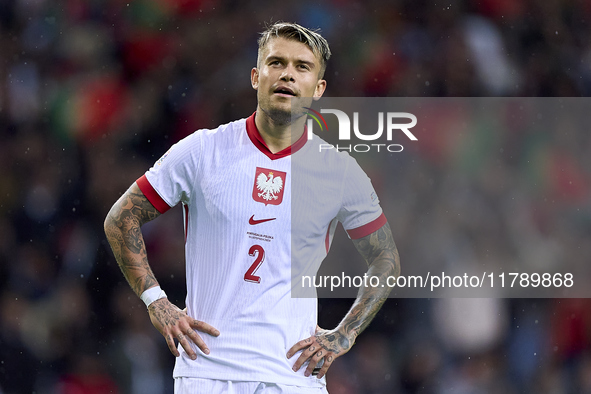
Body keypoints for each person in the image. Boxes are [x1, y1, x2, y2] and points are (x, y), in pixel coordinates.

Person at [104, 22, 400, 393]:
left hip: (292, 379)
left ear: (318, 89)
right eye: (276, 63)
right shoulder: (203, 151)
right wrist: (156, 301)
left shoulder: (340, 173)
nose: (287, 74)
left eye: (302, 67)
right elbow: (121, 217)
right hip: (207, 373)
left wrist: (344, 334)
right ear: (256, 76)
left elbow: (386, 258)